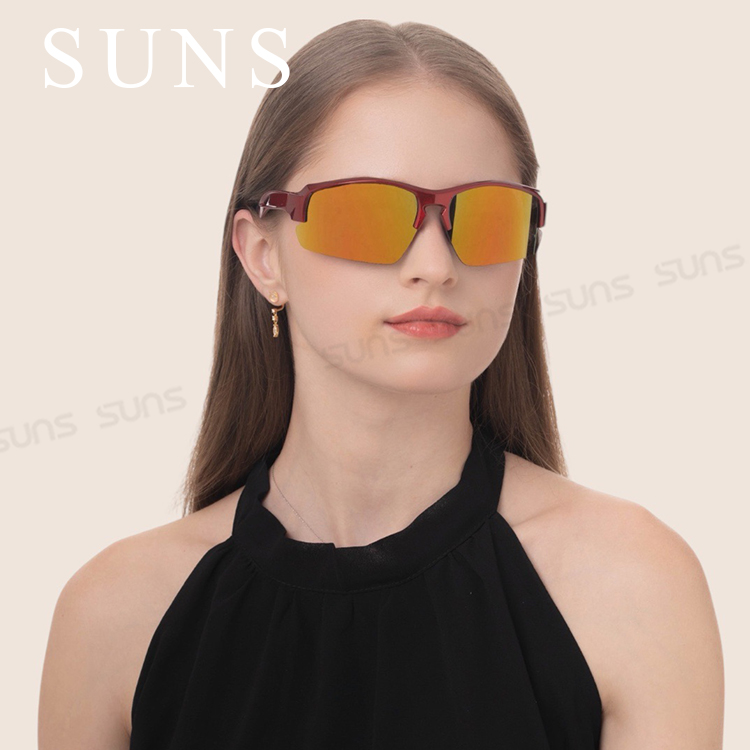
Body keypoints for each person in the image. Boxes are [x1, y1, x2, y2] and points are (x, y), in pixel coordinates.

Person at [39, 19, 724, 750]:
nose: (436, 265)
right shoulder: (114, 615)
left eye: (487, 217)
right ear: (263, 255)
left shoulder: (631, 585)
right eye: (367, 213)